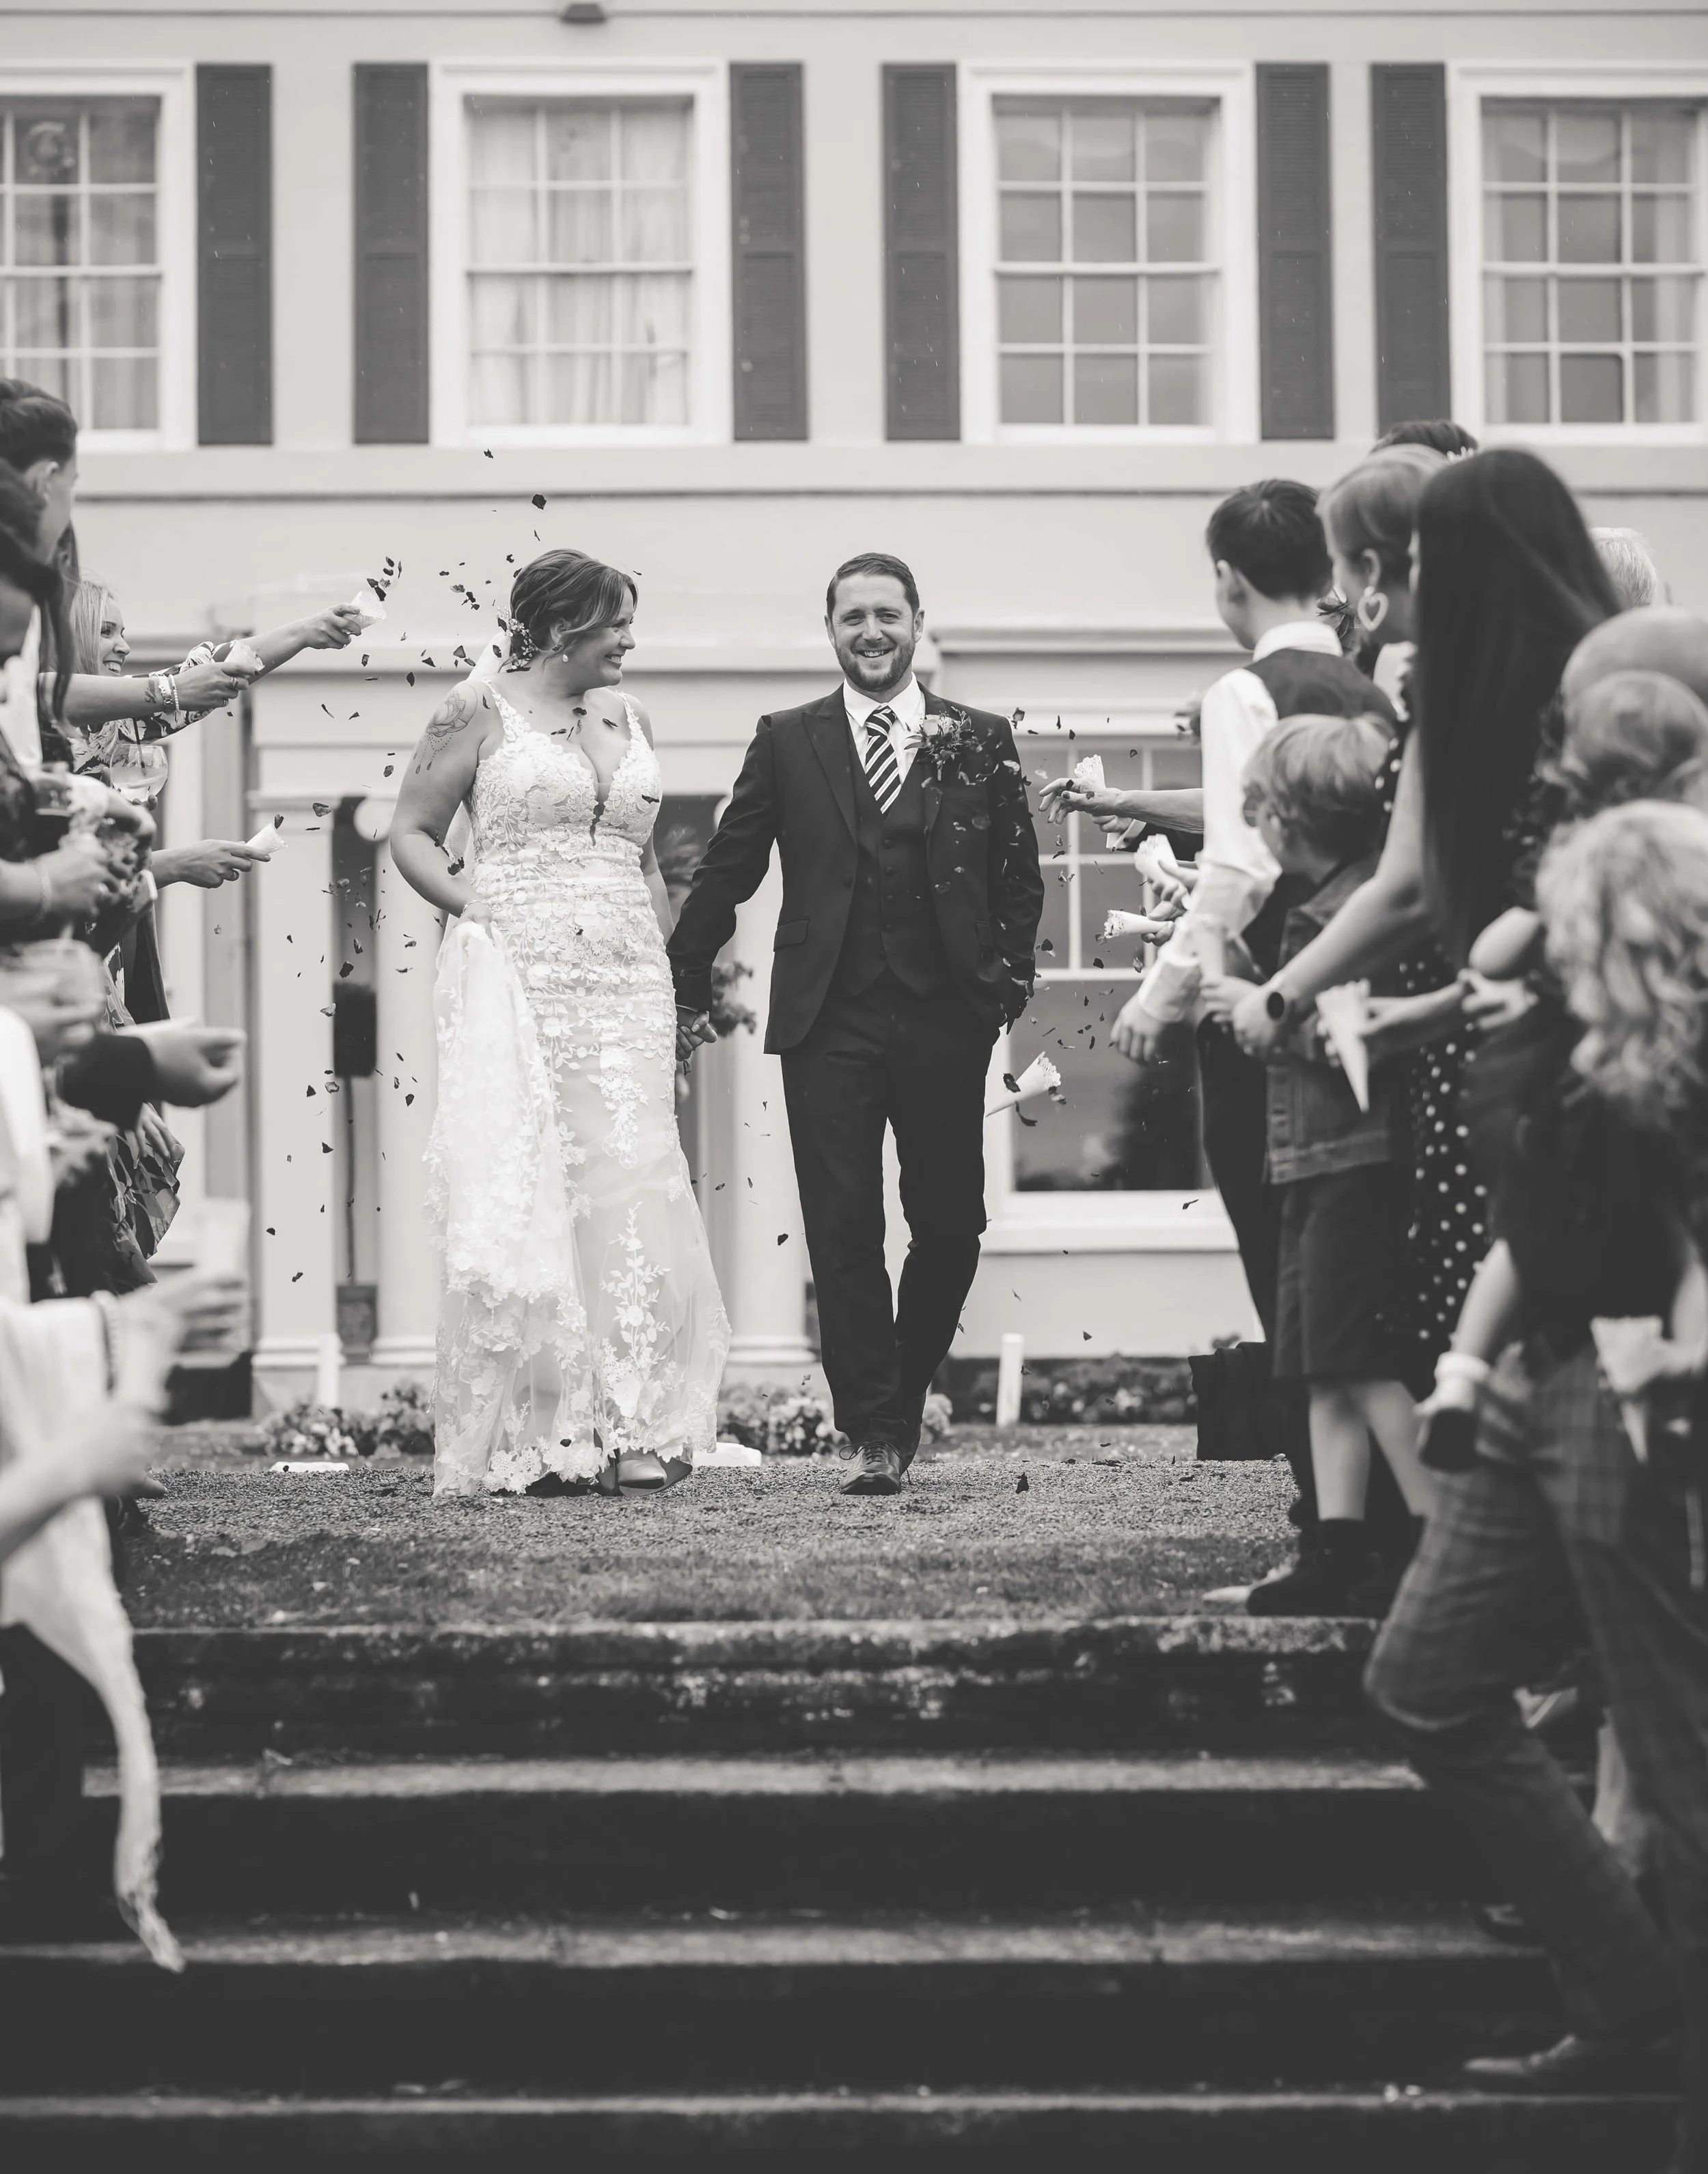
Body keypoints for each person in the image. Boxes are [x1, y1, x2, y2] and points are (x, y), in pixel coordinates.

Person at [1369, 799, 1708, 2171]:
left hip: (1637, 1389)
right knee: (1423, 1679)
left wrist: (1679, 1370)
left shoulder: (1679, 1071)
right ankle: (1634, 1992)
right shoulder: (1565, 1043)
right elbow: (1524, 1219)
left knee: (1679, 1760)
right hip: (1530, 1377)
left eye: (1575, 920)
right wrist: (1464, 1367)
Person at [668, 553, 1043, 1496]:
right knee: (842, 1225)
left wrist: (1005, 987)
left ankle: (902, 1391)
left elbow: (1017, 874)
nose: (871, 632)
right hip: (827, 1014)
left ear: (917, 621)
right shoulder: (786, 739)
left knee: (951, 1222)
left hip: (947, 1014)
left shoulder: (980, 737)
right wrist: (680, 981)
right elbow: (730, 867)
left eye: (887, 614)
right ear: (830, 629)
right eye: (853, 618)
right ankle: (875, 1427)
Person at [391, 549, 729, 1499]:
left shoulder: (633, 717)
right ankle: (546, 1428)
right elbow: (409, 832)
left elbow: (647, 863)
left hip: (630, 979)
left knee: (637, 1178)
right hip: (524, 975)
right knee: (540, 1181)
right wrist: (473, 905)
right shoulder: (474, 709)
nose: (629, 640)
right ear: (557, 627)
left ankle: (635, 1421)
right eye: (615, 623)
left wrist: (676, 982)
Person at [1105, 480, 1397, 1527]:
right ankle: (1370, 1511)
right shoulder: (1370, 689)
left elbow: (1238, 865)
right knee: (1358, 1260)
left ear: (1228, 579)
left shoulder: (1246, 690)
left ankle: (1336, 1517)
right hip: (1367, 994)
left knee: (1285, 1262)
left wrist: (1160, 994)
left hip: (1264, 1005)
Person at [1199, 713, 1434, 1614]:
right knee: (1319, 1366)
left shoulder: (1356, 918)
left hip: (1350, 1167)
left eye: (1257, 805)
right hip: (1308, 1162)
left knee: (1362, 1361)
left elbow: (1359, 1048)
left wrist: (1258, 1009)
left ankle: (1437, 1547)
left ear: (1289, 819)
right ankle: (1337, 1552)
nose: (1251, 821)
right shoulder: (1325, 908)